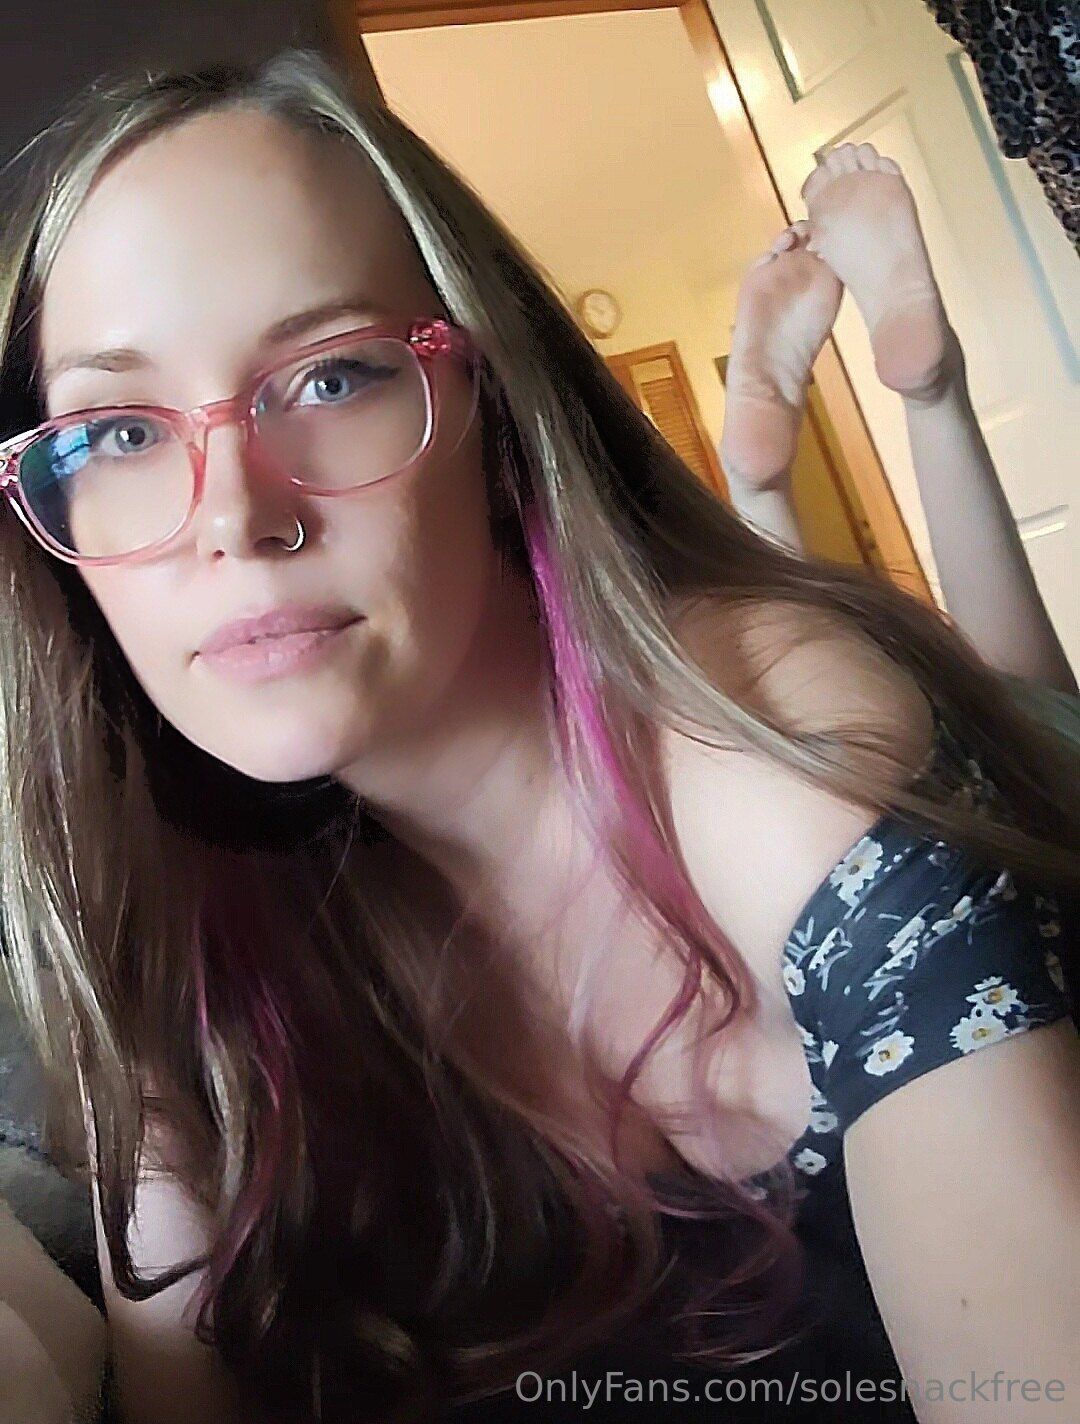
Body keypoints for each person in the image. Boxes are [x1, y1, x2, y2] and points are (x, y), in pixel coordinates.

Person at [0, 48, 1076, 1424]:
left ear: (497, 409)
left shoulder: (779, 755)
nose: (233, 515)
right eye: (116, 432)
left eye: (332, 378)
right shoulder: (173, 941)